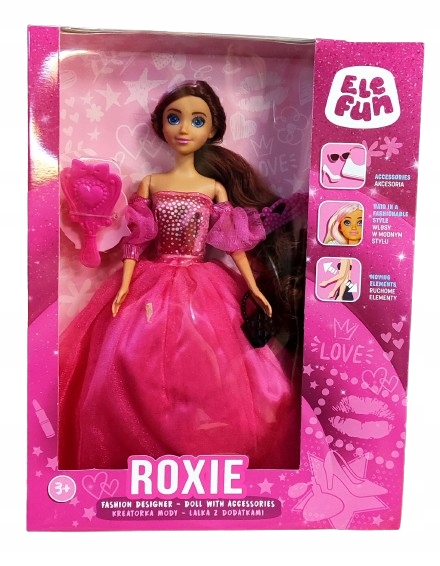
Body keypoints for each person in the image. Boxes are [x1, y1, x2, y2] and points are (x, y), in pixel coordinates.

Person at [58, 80, 304, 471]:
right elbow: (137, 240)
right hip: (152, 282)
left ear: (213, 129)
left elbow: (232, 243)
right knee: (131, 359)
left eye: (197, 120)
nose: (185, 128)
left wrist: (254, 287)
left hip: (203, 283)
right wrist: (124, 286)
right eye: (175, 118)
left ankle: (206, 442)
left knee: (214, 368)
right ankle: (143, 442)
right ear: (161, 125)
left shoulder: (214, 187)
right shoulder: (152, 183)